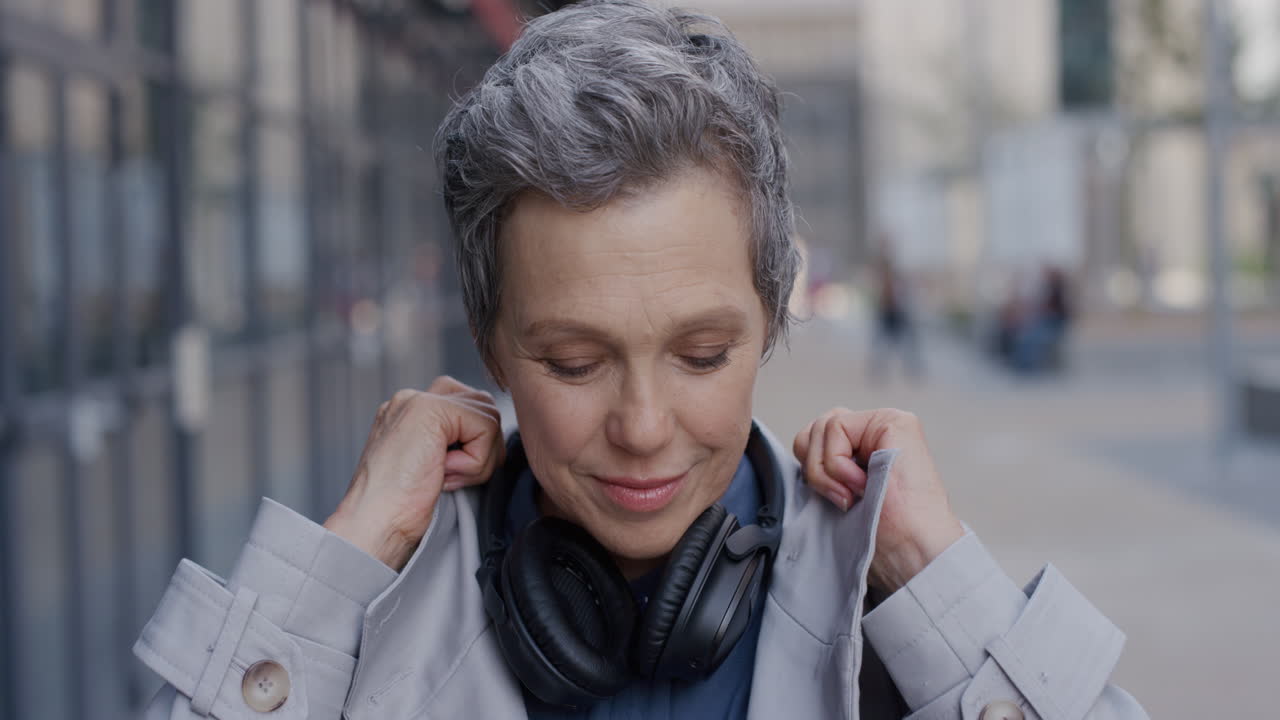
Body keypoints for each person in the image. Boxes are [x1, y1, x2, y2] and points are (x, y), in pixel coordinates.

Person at [133, 3, 1148, 718]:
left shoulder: (889, 620)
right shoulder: (370, 613)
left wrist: (936, 581)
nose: (644, 425)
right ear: (489, 344)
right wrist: (346, 551)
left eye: (702, 354)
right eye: (573, 362)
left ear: (771, 319)